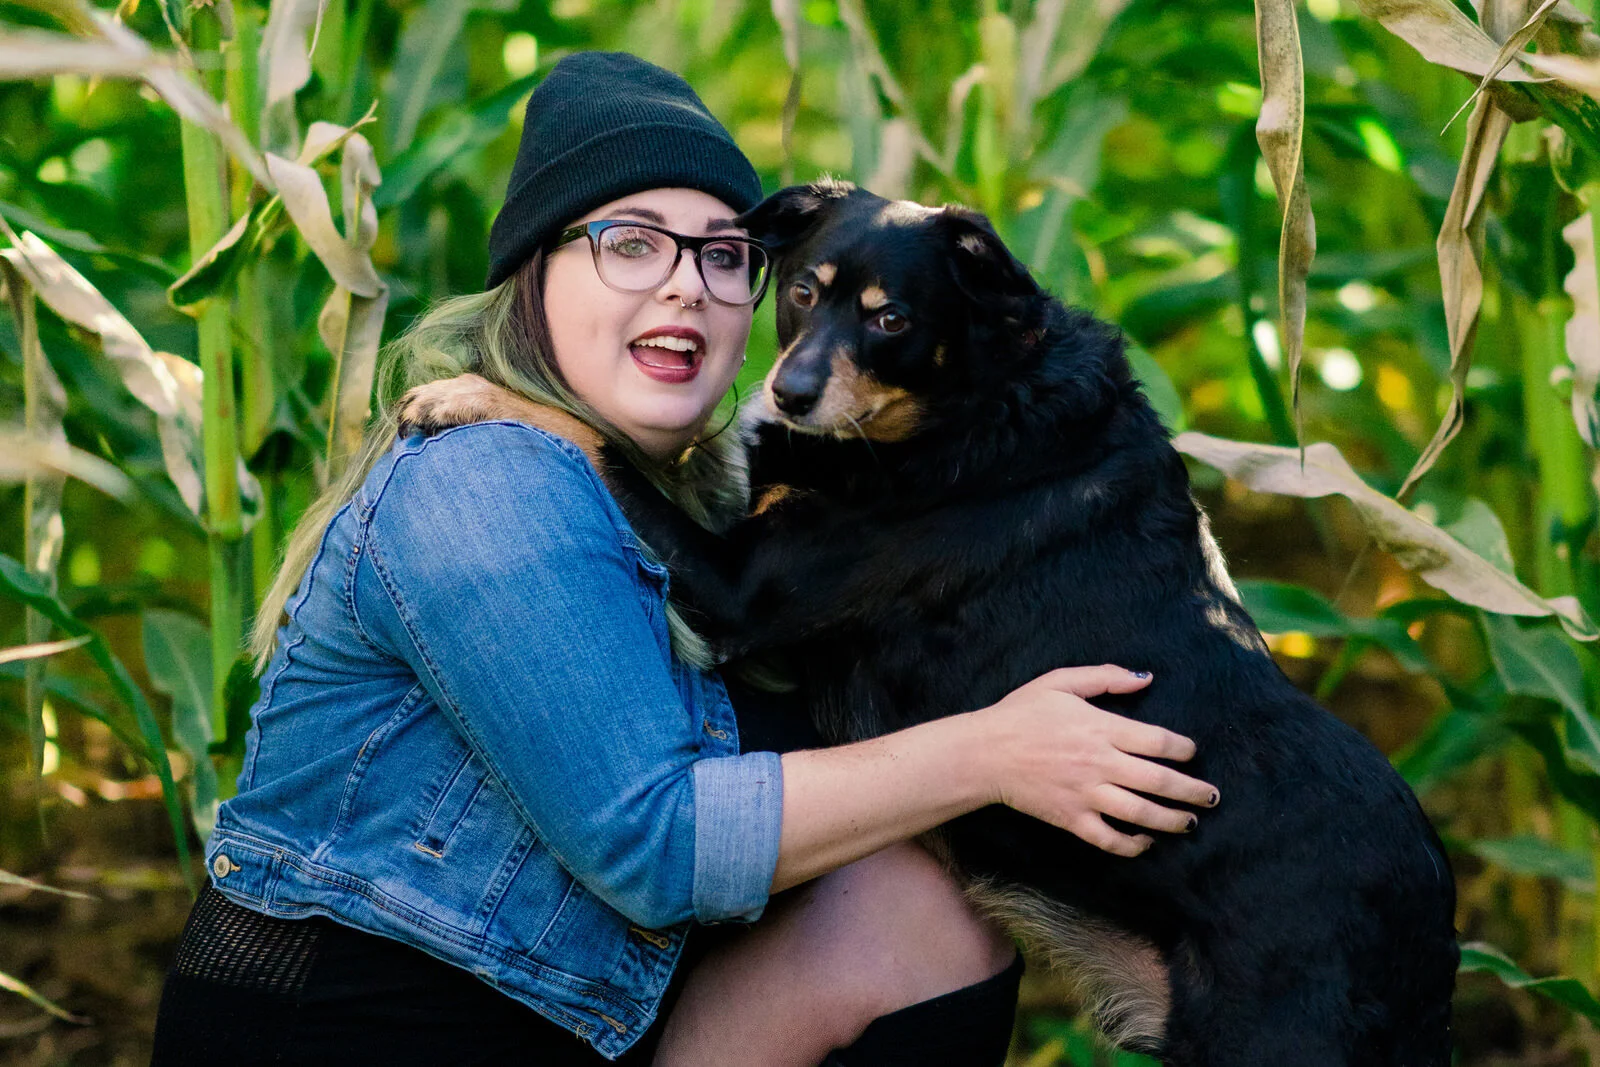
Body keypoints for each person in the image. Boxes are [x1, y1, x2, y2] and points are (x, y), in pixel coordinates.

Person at [150, 51, 1218, 1066]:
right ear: (534, 271)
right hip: (369, 1037)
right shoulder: (485, 481)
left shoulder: (710, 497)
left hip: (574, 1022)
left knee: (915, 900)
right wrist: (990, 751)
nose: (685, 286)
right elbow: (652, 845)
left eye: (723, 256)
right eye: (631, 242)